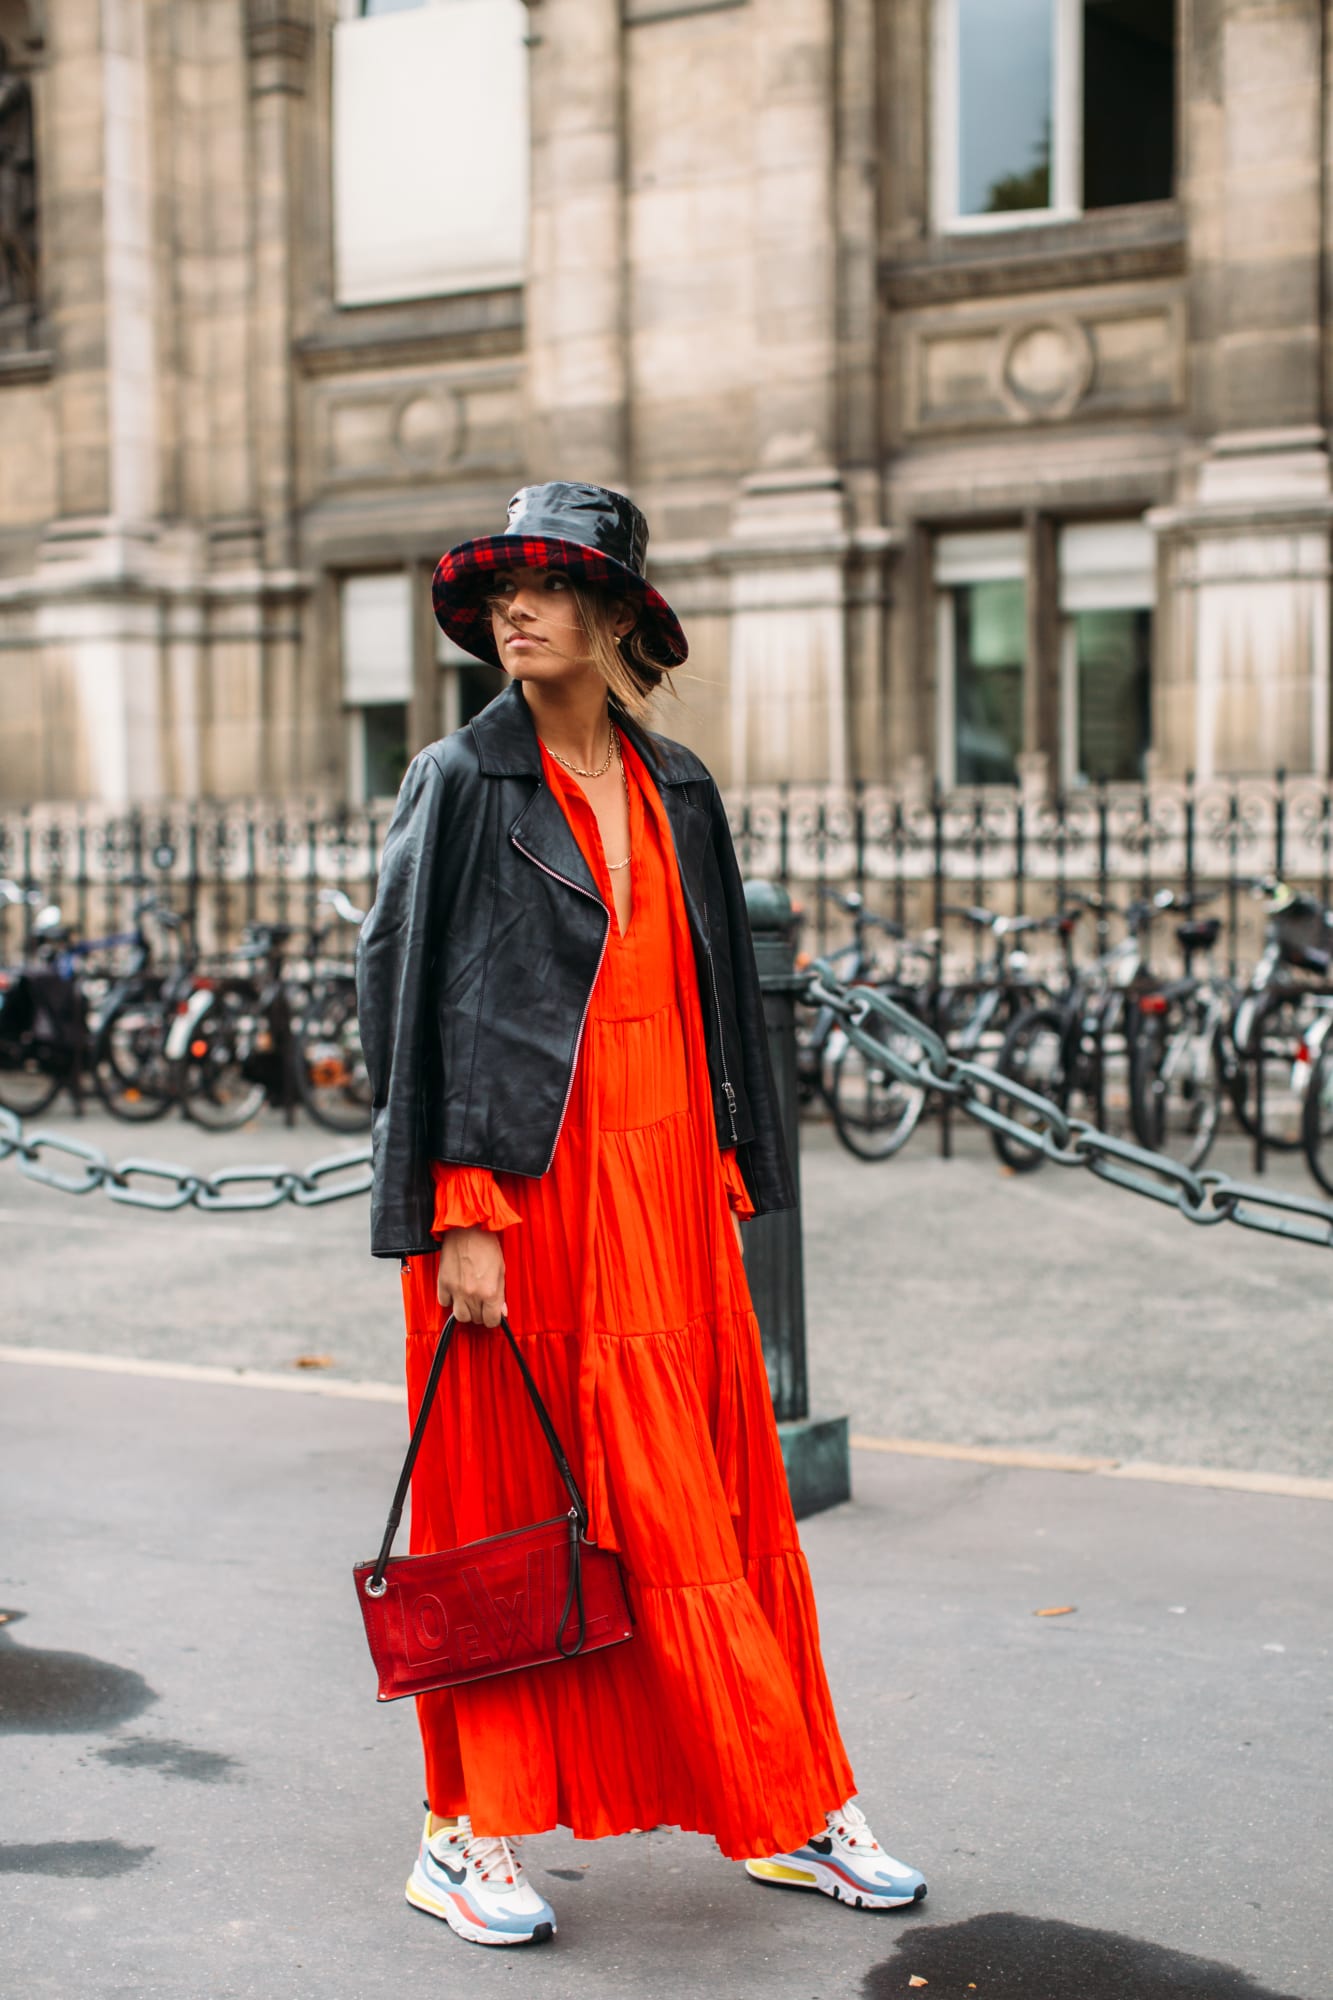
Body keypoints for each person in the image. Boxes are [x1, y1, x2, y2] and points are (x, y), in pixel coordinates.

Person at [355, 481, 926, 1947]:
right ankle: (459, 1830)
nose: (514, 612)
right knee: (511, 1518)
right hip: (520, 1198)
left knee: (711, 1512)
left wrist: (732, 1162)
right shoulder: (459, 780)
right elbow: (410, 1001)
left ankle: (785, 1797)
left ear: (619, 616)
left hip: (664, 1189)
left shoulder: (677, 784)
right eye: (497, 595)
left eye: (548, 587)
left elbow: (712, 995)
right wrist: (458, 1208)